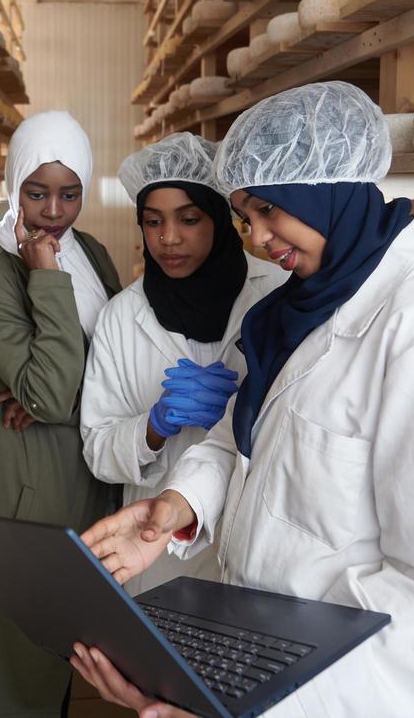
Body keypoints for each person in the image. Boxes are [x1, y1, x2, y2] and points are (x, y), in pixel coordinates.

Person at [71, 82, 414, 718]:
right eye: (245, 219)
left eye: (267, 211)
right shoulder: (302, 304)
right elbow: (247, 437)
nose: (256, 238)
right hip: (257, 652)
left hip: (341, 695)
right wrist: (177, 507)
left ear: (321, 190)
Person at [0, 110, 122, 718]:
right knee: (11, 639)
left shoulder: (93, 253)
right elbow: (45, 395)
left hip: (80, 461)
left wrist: (63, 400)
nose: (53, 211)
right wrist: (45, 275)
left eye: (69, 194)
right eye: (37, 192)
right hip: (24, 472)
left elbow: (108, 364)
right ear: (13, 183)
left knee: (65, 630)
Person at [80, 133, 288, 595]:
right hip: (155, 546)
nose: (168, 238)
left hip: (254, 532)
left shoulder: (278, 293)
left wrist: (246, 414)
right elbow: (98, 448)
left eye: (189, 219)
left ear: (220, 218)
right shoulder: (122, 315)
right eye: (152, 222)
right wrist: (153, 427)